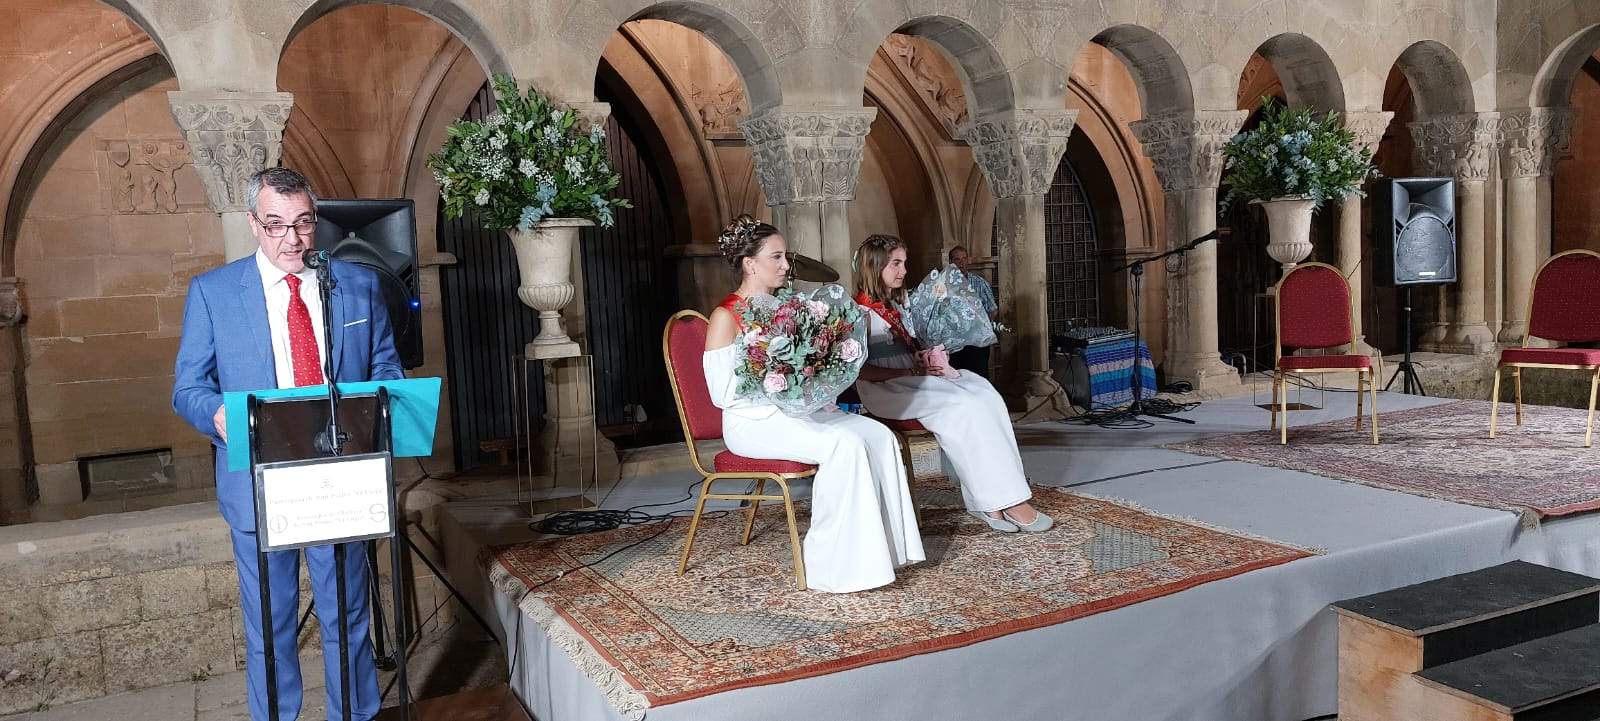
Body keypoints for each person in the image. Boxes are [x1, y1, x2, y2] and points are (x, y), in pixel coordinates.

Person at [173, 168, 402, 721]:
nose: (292, 239)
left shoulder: (357, 285)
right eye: (276, 224)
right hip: (259, 485)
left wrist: (378, 405)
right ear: (253, 223)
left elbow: (386, 369)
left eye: (302, 223)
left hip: (339, 480)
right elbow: (187, 389)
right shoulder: (213, 293)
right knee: (271, 627)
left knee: (348, 617)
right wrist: (220, 413)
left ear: (315, 222)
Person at [702, 215, 924, 593]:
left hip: (796, 411)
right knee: (846, 444)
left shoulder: (786, 308)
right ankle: (831, 565)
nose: (787, 266)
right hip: (752, 422)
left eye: (785, 256)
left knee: (877, 435)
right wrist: (781, 380)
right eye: (777, 257)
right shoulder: (726, 316)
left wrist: (814, 373)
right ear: (750, 264)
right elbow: (722, 395)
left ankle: (882, 555)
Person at [853, 234, 1052, 533]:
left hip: (911, 380)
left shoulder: (896, 305)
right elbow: (861, 373)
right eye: (896, 263)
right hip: (887, 391)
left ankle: (993, 500)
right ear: (874, 265)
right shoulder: (859, 313)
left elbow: (905, 351)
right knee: (965, 404)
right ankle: (1006, 502)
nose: (903, 271)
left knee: (985, 393)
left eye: (904, 263)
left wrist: (924, 359)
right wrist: (909, 373)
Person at [945, 245, 998, 379]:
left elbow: (992, 310)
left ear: (968, 260)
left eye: (964, 259)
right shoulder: (942, 285)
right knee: (956, 378)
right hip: (954, 343)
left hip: (976, 343)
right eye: (957, 259)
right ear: (950, 262)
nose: (961, 263)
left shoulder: (980, 283)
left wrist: (977, 325)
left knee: (978, 377)